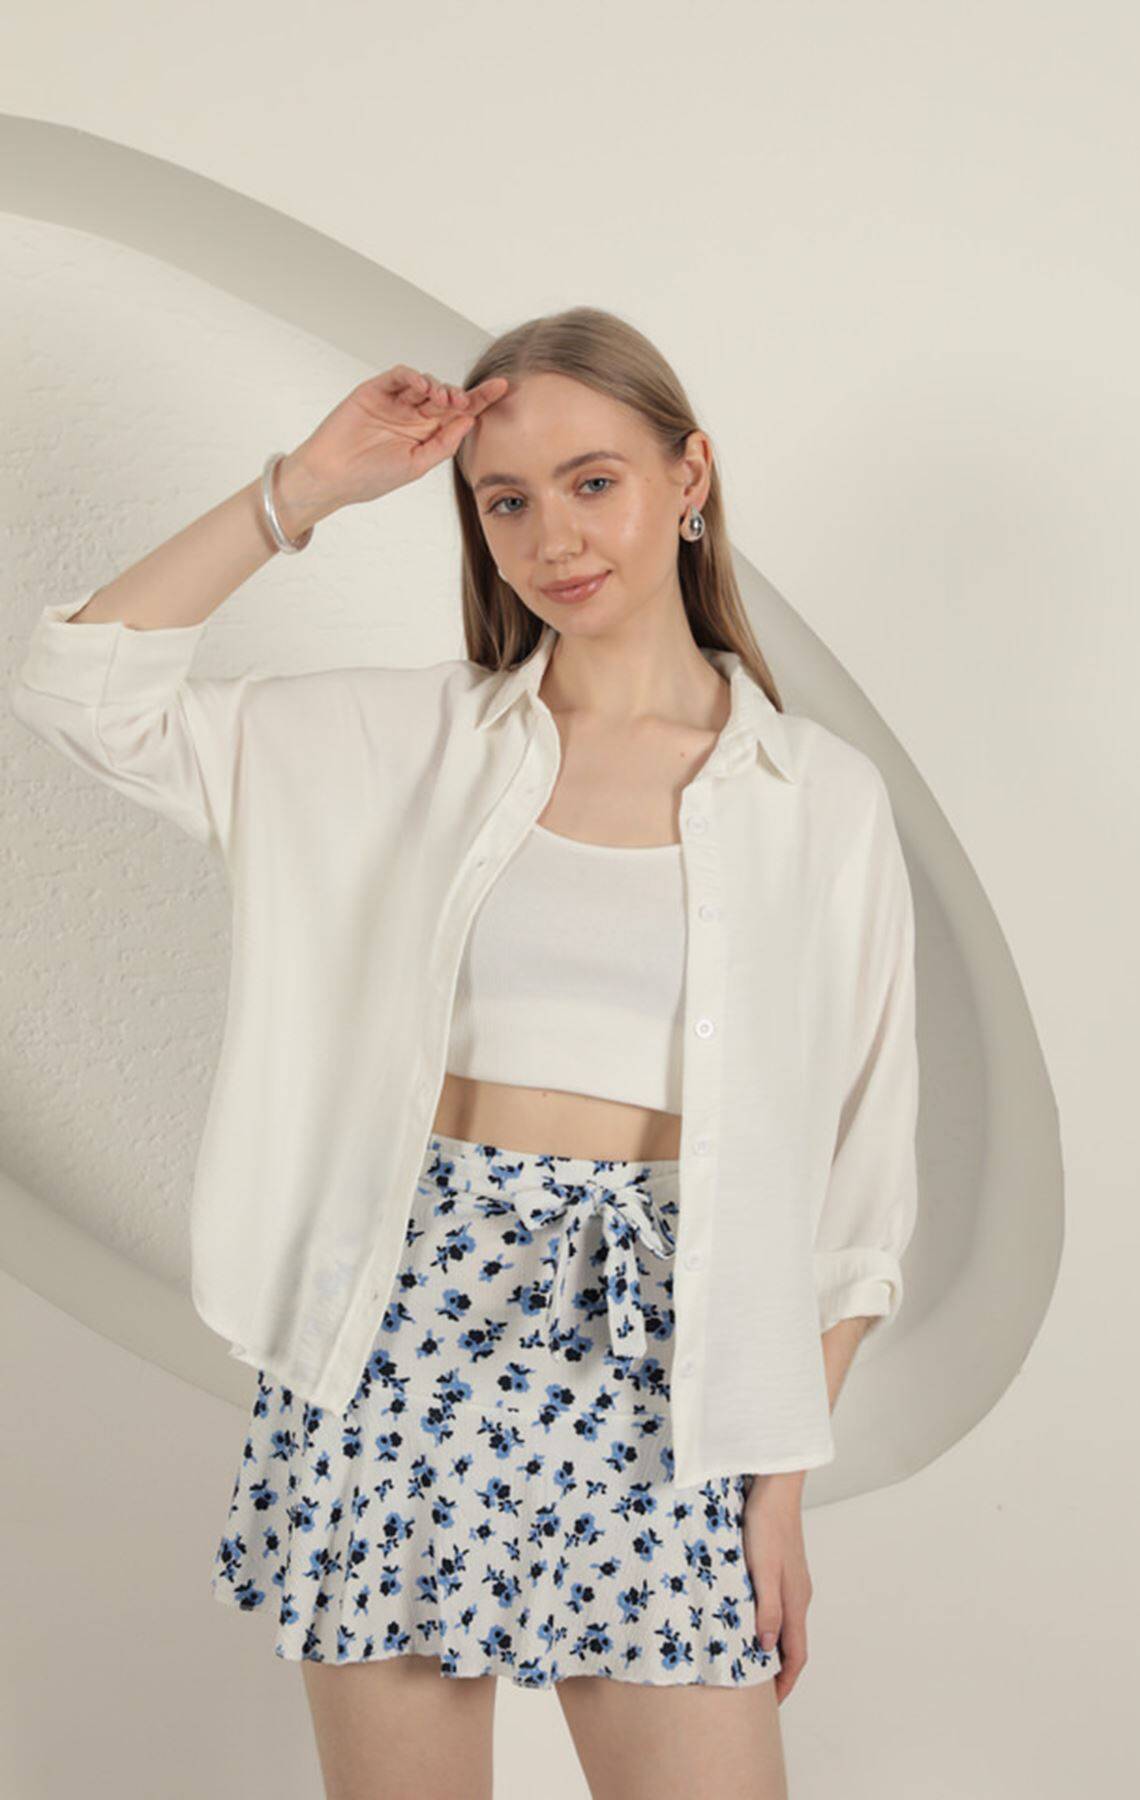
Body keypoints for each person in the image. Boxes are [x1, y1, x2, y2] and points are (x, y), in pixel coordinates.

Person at [9, 306, 919, 1800]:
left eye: (593, 481)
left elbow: (862, 1185)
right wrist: (305, 487)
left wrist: (779, 1486)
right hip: (404, 1321)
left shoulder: (816, 799)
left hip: (668, 1363)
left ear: (689, 477)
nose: (552, 537)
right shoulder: (402, 746)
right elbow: (81, 691)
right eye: (505, 500)